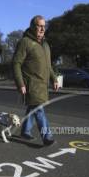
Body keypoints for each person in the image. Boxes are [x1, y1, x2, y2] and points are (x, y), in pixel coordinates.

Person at [13, 15, 59, 146]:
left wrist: (54, 79)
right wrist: (20, 83)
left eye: (44, 26)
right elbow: (16, 63)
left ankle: (25, 131)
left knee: (33, 107)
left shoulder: (45, 45)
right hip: (31, 84)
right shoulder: (25, 42)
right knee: (39, 108)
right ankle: (47, 137)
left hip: (42, 85)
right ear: (33, 26)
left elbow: (48, 66)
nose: (42, 28)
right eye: (40, 26)